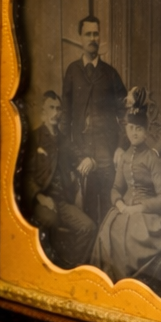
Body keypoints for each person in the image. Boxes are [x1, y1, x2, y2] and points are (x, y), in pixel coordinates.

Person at [91, 89, 161, 303]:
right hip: (124, 210)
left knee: (155, 244)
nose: (134, 133)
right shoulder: (124, 157)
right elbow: (115, 188)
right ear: (126, 129)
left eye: (139, 129)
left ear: (146, 131)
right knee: (107, 235)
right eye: (130, 128)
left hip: (148, 213)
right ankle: (115, 295)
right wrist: (120, 204)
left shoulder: (152, 158)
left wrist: (138, 208)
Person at [61, 15, 127, 228]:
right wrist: (77, 156)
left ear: (100, 37)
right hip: (82, 154)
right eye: (88, 34)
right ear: (80, 38)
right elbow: (65, 120)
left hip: (107, 154)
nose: (92, 38)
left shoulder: (110, 74)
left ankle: (106, 248)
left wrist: (121, 146)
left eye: (96, 34)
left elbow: (125, 112)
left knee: (109, 211)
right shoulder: (72, 72)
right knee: (87, 214)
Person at [19, 91, 96, 268]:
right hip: (40, 200)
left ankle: (71, 266)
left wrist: (90, 161)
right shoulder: (34, 138)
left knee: (89, 227)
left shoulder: (65, 140)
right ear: (43, 111)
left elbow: (80, 157)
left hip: (63, 202)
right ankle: (45, 267)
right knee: (50, 220)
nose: (55, 113)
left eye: (58, 109)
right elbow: (26, 175)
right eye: (51, 108)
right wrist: (41, 198)